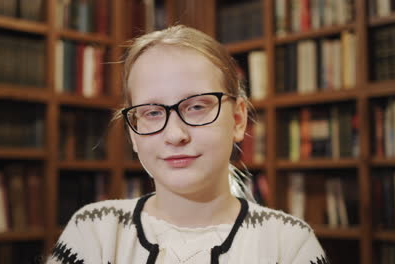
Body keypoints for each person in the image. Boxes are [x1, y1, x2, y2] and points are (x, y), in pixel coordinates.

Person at [47, 25, 328, 264]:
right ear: (133, 133)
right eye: (152, 112)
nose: (175, 134)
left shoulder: (289, 245)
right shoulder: (94, 232)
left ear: (239, 119)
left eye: (196, 107)